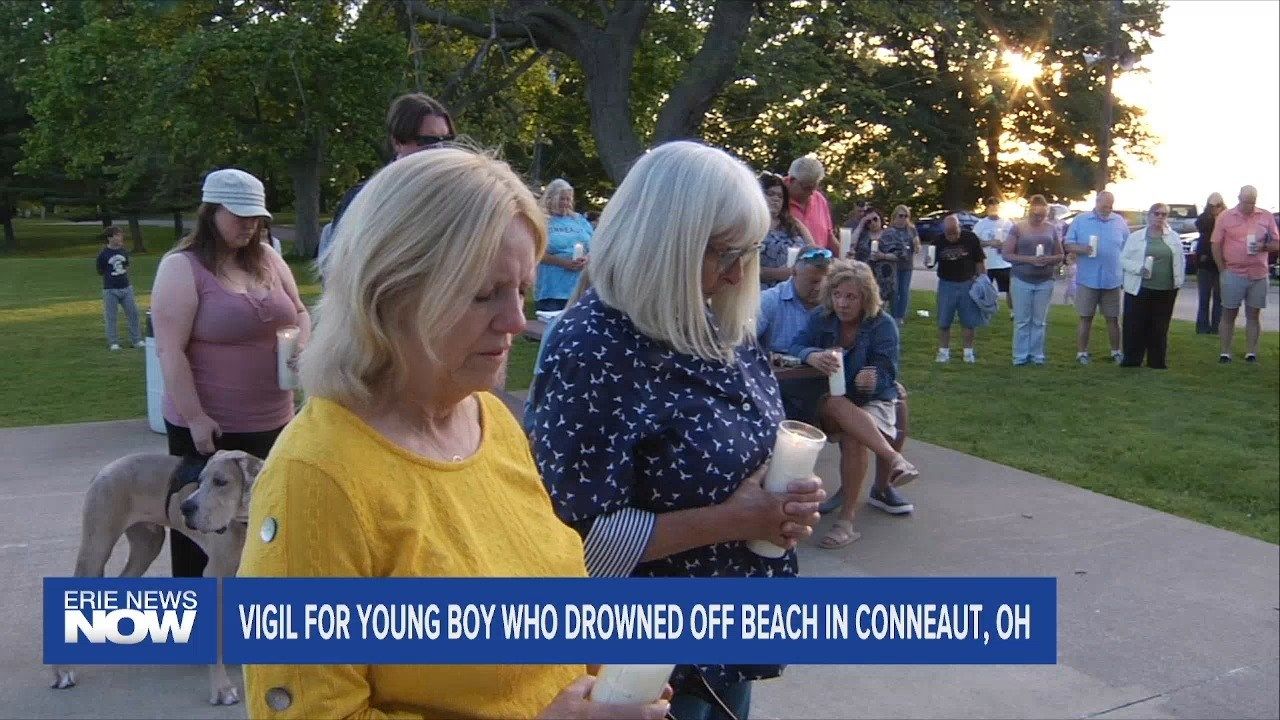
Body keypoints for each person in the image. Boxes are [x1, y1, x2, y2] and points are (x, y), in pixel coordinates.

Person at [239, 147, 670, 720]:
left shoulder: (488, 421)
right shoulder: (315, 480)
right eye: (483, 294)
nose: (517, 320)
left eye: (521, 289)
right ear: (389, 295)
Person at [529, 141, 826, 719]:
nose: (741, 272)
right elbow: (573, 543)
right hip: (646, 673)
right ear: (662, 243)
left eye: (748, 250)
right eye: (721, 252)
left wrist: (788, 502)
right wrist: (738, 518)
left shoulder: (717, 324)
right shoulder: (596, 346)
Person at [151, 168, 311, 579]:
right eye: (239, 215)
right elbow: (170, 349)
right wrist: (195, 418)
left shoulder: (269, 259)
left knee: (266, 530)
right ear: (211, 212)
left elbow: (301, 312)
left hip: (274, 419)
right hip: (211, 426)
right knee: (200, 534)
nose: (250, 225)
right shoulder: (181, 267)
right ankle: (198, 631)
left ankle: (255, 623)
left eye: (256, 217)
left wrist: (301, 346)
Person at [789, 260, 920, 547]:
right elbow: (794, 345)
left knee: (853, 436)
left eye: (851, 297)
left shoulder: (882, 324)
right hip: (829, 402)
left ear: (865, 298)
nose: (843, 303)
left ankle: (846, 522)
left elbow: (888, 371)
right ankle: (894, 459)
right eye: (837, 295)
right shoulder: (821, 318)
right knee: (836, 404)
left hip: (871, 402)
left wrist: (874, 379)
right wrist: (811, 355)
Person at [329, 92, 455, 232]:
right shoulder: (363, 200)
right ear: (397, 143)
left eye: (446, 140)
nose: (440, 149)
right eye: (428, 140)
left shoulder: (458, 195)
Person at [1212, 184, 1278, 363]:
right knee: (1229, 313)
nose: (1249, 205)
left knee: (1254, 315)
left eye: (1252, 202)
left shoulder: (1266, 216)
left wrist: (1264, 246)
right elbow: (1216, 244)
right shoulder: (1225, 216)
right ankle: (1225, 352)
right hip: (1233, 272)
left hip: (1258, 273)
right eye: (1246, 201)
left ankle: (1251, 353)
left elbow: (1277, 243)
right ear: (1239, 198)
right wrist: (1222, 270)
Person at [1063, 190, 1129, 365]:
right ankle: (1082, 353)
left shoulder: (1119, 222)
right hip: (1088, 278)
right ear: (1097, 202)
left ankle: (1116, 352)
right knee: (1085, 317)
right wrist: (1082, 249)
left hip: (1112, 279)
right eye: (1104, 205)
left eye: (1110, 206)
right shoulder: (1081, 220)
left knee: (1113, 318)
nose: (1108, 209)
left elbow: (1127, 247)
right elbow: (1068, 244)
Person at [1119, 203, 1185, 369]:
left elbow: (1180, 260)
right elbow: (1123, 259)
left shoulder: (1173, 237)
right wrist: (1138, 268)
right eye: (1157, 213)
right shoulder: (1136, 237)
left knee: (1160, 326)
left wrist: (1178, 280)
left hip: (1166, 289)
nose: (1160, 217)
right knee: (1135, 325)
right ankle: (1132, 359)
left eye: (1164, 214)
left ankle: (1156, 361)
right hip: (1140, 288)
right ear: (1149, 215)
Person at [1002, 194, 1064, 366]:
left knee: (1039, 321)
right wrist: (1029, 260)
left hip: (1045, 280)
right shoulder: (1018, 228)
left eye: (1042, 215)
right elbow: (1007, 254)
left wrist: (1048, 259)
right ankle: (1020, 356)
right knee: (1022, 320)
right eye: (1035, 215)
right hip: (1022, 279)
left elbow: (1060, 255)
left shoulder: (1051, 229)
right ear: (1030, 211)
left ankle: (1037, 355)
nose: (1038, 218)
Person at [930, 214, 986, 363]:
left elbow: (979, 261)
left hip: (967, 282)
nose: (952, 237)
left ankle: (968, 352)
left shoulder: (971, 239)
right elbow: (930, 262)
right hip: (946, 283)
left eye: (955, 232)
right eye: (949, 234)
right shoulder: (938, 241)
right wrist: (928, 261)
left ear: (959, 228)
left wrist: (982, 281)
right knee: (944, 320)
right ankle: (943, 351)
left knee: (969, 320)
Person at [535, 178, 593, 312]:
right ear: (551, 198)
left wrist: (587, 259)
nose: (566, 203)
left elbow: (595, 246)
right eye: (562, 199)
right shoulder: (542, 220)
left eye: (568, 199)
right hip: (552, 289)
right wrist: (562, 263)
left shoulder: (579, 220)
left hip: (580, 288)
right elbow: (535, 251)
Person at [759, 172, 813, 288]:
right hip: (763, 292)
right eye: (770, 194)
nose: (776, 199)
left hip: (794, 290)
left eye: (780, 196)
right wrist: (778, 274)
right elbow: (742, 267)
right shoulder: (751, 225)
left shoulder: (793, 223)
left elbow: (813, 250)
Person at [97, 226, 144, 350]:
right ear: (110, 238)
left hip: (126, 288)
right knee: (111, 317)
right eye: (117, 235)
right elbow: (100, 270)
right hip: (110, 289)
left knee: (133, 314)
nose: (120, 237)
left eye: (120, 235)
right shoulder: (103, 254)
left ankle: (137, 340)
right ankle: (113, 342)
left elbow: (126, 266)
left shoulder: (123, 251)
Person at [785, 155, 837, 252]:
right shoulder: (776, 199)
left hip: (819, 263)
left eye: (815, 188)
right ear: (792, 180)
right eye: (807, 188)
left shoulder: (820, 199)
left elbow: (829, 236)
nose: (812, 193)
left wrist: (844, 257)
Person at [973, 197, 1014, 316]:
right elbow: (975, 242)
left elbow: (1013, 240)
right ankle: (984, 310)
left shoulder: (1007, 223)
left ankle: (1013, 312)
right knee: (985, 288)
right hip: (987, 263)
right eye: (991, 207)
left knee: (1010, 289)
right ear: (987, 208)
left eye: (996, 206)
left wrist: (1004, 245)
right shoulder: (980, 225)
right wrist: (989, 243)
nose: (994, 209)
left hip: (1004, 263)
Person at [1194, 192, 1227, 334]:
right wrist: (1214, 216)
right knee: (1204, 298)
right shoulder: (1203, 219)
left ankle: (1216, 327)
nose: (1215, 208)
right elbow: (1204, 229)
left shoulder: (1227, 218)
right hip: (1205, 264)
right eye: (1212, 205)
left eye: (1218, 205)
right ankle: (1202, 327)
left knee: (1219, 299)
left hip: (1220, 264)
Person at [882, 205, 920, 323]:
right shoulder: (889, 231)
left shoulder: (911, 230)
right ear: (895, 217)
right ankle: (893, 314)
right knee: (894, 290)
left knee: (904, 290)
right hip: (894, 264)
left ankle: (900, 316)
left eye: (906, 216)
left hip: (907, 265)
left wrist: (916, 245)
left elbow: (917, 245)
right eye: (901, 216)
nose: (903, 218)